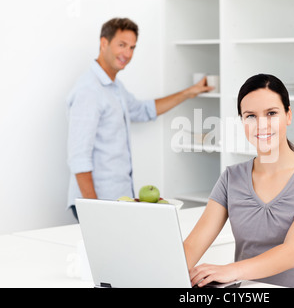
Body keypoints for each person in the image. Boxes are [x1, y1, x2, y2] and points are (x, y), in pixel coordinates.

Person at [184, 74, 294, 288]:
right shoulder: (231, 178)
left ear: (288, 115)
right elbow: (192, 246)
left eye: (271, 113)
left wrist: (230, 270)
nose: (261, 125)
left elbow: (291, 253)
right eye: (250, 116)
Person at [66, 18, 213, 220]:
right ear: (104, 43)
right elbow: (79, 158)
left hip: (117, 200)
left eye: (132, 47)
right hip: (98, 203)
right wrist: (93, 210)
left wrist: (190, 92)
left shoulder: (114, 87)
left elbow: (143, 110)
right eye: (122, 45)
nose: (127, 54)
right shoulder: (89, 91)